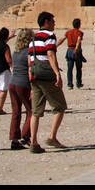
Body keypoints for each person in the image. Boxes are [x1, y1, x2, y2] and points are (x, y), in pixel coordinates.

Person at [27, 11, 67, 153]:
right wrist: (57, 73)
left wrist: (30, 77)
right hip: (46, 75)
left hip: (34, 75)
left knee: (36, 111)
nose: (54, 23)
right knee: (60, 106)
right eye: (52, 21)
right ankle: (52, 137)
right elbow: (50, 54)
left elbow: (30, 58)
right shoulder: (49, 36)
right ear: (46, 22)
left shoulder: (34, 37)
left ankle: (33, 142)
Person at [8, 28, 33, 150]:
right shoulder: (29, 52)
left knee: (16, 112)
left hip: (12, 83)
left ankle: (14, 139)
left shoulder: (16, 52)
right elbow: (30, 69)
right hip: (23, 84)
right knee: (31, 110)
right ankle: (26, 135)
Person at [64, 18, 85, 89]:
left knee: (69, 68)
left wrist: (56, 45)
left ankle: (70, 84)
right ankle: (78, 83)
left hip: (69, 51)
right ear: (79, 25)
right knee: (78, 68)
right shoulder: (80, 32)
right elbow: (79, 39)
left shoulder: (68, 32)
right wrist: (76, 48)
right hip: (76, 51)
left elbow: (62, 39)